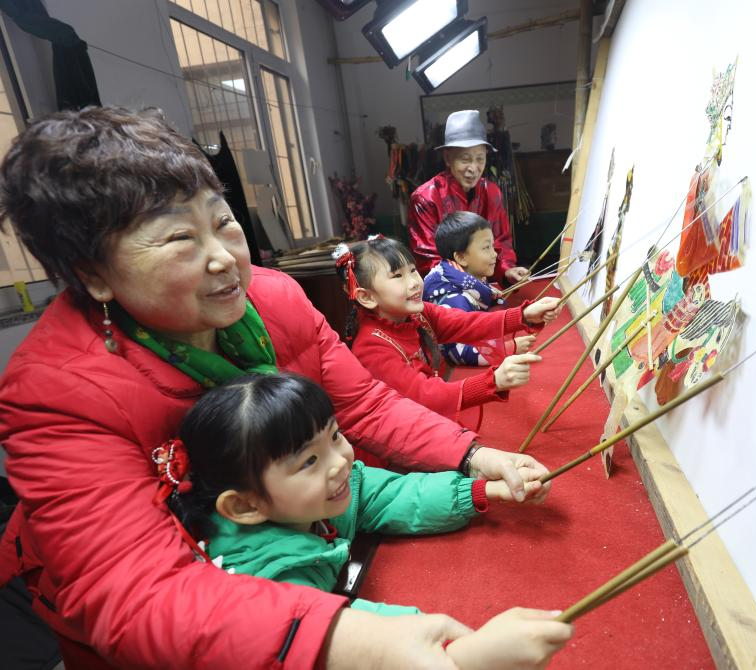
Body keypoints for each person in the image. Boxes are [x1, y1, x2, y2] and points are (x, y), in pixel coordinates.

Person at [0, 106, 557, 669]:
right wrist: (365, 644)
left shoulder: (273, 299)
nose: (224, 258)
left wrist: (476, 458)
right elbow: (136, 592)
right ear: (94, 274)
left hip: (298, 550)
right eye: (180, 239)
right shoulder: (55, 392)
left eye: (222, 223)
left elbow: (365, 404)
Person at [166, 372, 564, 661]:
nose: (340, 461)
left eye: (334, 436)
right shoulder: (262, 580)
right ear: (246, 506)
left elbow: (391, 494)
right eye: (309, 460)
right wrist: (462, 653)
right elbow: (339, 640)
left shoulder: (322, 492)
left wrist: (480, 490)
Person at [337, 236, 558, 428]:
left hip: (425, 417)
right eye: (397, 276)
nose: (414, 283)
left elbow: (465, 322)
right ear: (366, 297)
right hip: (404, 434)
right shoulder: (372, 347)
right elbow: (424, 395)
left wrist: (524, 315)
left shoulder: (416, 314)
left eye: (412, 271)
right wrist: (493, 381)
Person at [409, 110, 529, 285]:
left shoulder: (492, 192)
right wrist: (469, 282)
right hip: (447, 290)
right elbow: (428, 259)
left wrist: (507, 270)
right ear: (448, 158)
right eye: (465, 160)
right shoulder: (425, 198)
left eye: (480, 159)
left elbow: (500, 242)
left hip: (484, 286)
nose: (473, 168)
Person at [424, 211, 534, 367]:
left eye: (492, 246)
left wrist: (526, 317)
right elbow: (457, 352)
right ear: (461, 257)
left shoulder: (467, 277)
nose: (494, 254)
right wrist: (510, 348)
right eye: (486, 248)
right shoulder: (453, 298)